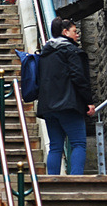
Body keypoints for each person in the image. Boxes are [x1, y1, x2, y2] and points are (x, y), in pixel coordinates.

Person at [36, 17, 96, 175]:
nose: (77, 35)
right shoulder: (71, 51)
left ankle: (52, 182)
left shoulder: (44, 54)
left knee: (55, 146)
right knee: (78, 143)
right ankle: (76, 182)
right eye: (74, 31)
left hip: (48, 107)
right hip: (69, 105)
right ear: (65, 32)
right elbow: (79, 78)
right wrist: (89, 102)